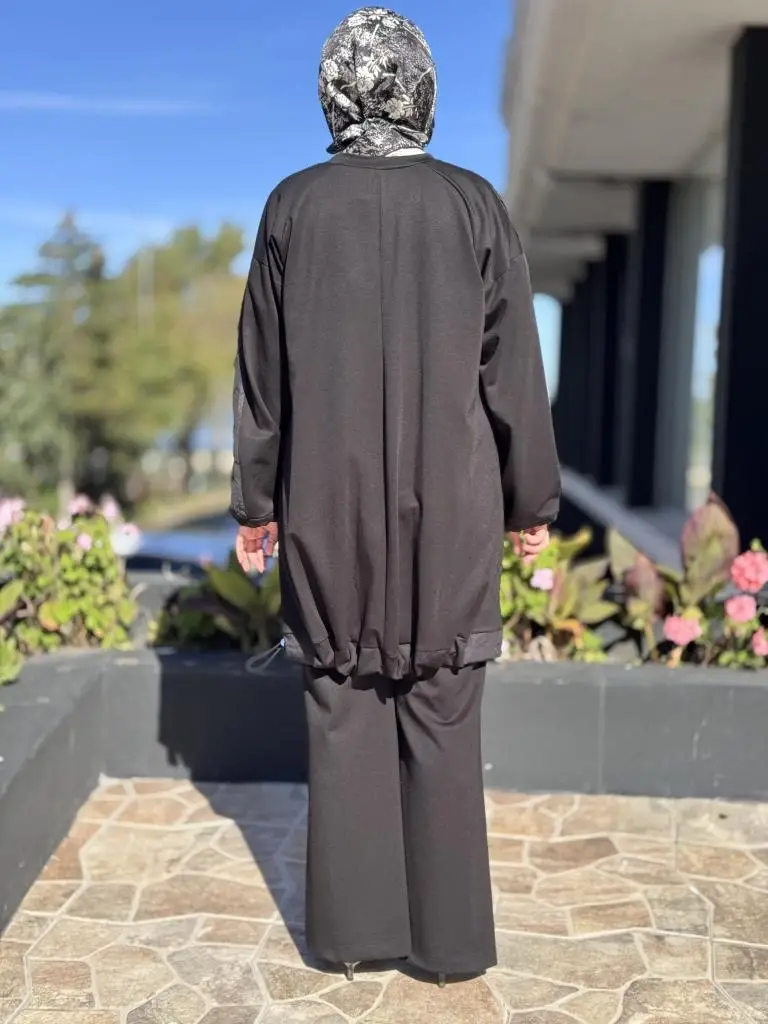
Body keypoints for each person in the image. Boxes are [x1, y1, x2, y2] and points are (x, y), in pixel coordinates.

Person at [230, 6, 560, 987]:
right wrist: (531, 503)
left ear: (332, 95)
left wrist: (256, 501)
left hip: (326, 508)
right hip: (453, 509)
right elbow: (514, 373)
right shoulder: (473, 205)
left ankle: (352, 938)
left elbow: (260, 378)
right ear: (423, 91)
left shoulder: (292, 207)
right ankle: (450, 946)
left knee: (343, 701)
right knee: (444, 708)